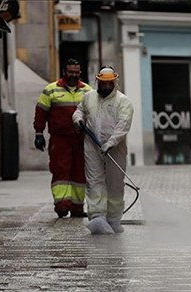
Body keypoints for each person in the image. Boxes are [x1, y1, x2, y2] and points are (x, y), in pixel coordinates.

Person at [72, 66, 134, 234]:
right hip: (92, 146)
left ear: (114, 82)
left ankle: (113, 219)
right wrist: (77, 119)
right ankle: (97, 217)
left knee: (115, 184)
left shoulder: (123, 102)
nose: (106, 87)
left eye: (109, 83)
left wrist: (111, 143)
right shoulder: (88, 97)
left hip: (116, 149)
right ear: (97, 81)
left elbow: (123, 125)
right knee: (94, 182)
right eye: (103, 83)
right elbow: (79, 110)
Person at [33, 58, 92, 218]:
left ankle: (77, 207)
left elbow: (94, 115)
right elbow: (41, 112)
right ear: (64, 72)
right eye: (70, 72)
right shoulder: (51, 90)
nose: (73, 75)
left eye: (76, 72)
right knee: (60, 172)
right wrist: (39, 133)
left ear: (80, 73)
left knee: (80, 174)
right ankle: (62, 206)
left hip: (80, 140)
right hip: (60, 140)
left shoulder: (87, 91)